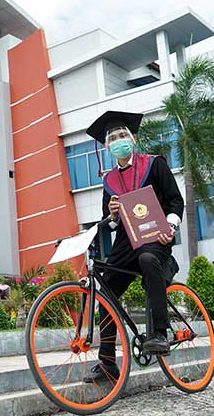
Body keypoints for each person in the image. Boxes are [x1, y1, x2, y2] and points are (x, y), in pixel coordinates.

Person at [82, 110, 184, 384]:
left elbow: (175, 201)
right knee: (107, 291)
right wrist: (113, 214)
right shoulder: (109, 181)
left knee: (149, 260)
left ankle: (159, 334)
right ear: (107, 147)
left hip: (155, 236)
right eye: (113, 138)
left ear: (133, 138)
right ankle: (106, 363)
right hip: (126, 242)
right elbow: (111, 224)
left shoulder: (155, 165)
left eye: (122, 135)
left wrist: (170, 227)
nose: (119, 140)